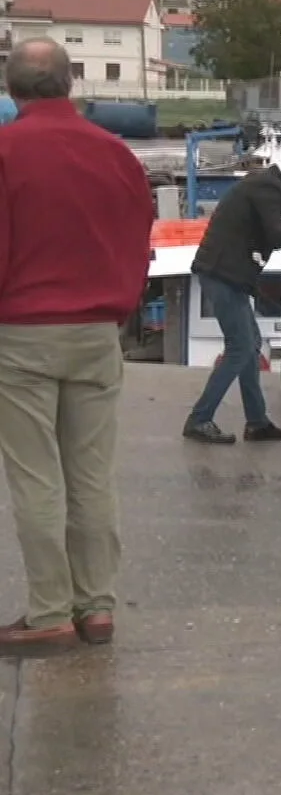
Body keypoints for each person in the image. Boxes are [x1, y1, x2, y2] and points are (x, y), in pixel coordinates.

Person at [0, 39, 155, 654]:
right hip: (98, 334)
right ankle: (96, 608)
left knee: (36, 477)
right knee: (92, 476)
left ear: (14, 92)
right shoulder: (117, 154)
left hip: (21, 335)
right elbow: (138, 234)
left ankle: (49, 614)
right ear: (70, 85)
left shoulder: (6, 152)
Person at [182, 159, 281, 444]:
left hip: (229, 276)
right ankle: (199, 418)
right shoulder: (267, 190)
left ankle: (257, 422)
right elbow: (276, 236)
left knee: (251, 346)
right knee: (240, 348)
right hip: (222, 276)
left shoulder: (264, 187)